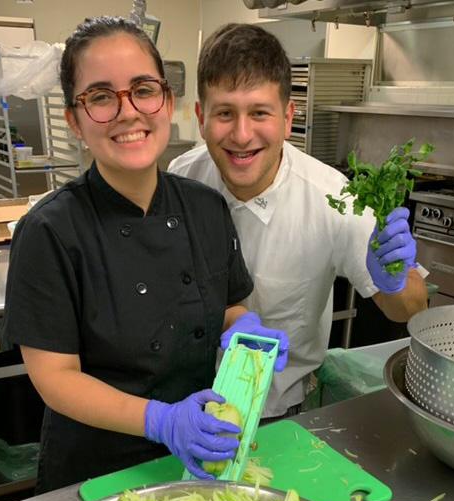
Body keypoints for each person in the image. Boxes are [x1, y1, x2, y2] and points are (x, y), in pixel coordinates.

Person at [2, 16, 288, 493]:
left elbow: (223, 304)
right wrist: (162, 420)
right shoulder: (49, 231)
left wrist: (242, 328)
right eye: (100, 97)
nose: (128, 111)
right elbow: (55, 379)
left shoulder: (206, 207)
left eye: (143, 90)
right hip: (97, 470)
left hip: (202, 454)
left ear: (167, 102)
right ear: (74, 120)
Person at [169, 23, 428, 420]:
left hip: (277, 415)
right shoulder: (181, 178)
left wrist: (394, 279)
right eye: (225, 113)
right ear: (202, 117)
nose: (242, 134)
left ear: (287, 118)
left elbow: (411, 307)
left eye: (259, 112)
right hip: (182, 406)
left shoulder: (335, 201)